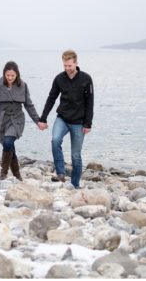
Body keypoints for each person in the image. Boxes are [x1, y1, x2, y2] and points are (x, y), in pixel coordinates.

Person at [38, 49, 94, 189]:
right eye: (65, 65)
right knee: (55, 140)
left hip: (79, 122)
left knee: (76, 155)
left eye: (70, 65)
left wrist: (88, 123)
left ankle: (74, 185)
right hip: (62, 118)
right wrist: (43, 118)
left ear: (76, 63)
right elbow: (51, 99)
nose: (67, 68)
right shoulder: (59, 79)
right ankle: (61, 173)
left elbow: (90, 102)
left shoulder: (86, 79)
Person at [0, 61, 44, 181]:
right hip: (2, 119)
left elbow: (29, 105)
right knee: (8, 144)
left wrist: (38, 121)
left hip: (17, 119)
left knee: (9, 141)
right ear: (4, 74)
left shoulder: (23, 85)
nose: (10, 78)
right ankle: (17, 175)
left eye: (12, 76)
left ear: (17, 75)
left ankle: (3, 173)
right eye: (7, 75)